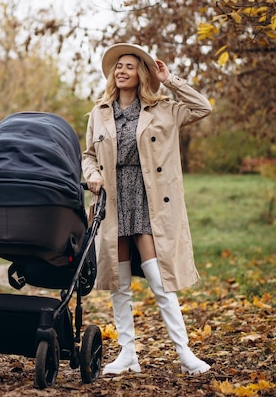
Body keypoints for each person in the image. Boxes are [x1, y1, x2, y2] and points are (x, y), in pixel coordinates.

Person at [82, 43, 212, 375]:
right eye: (118, 67)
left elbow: (203, 107)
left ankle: (184, 354)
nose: (121, 71)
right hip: (113, 200)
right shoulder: (100, 111)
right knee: (119, 281)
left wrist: (170, 80)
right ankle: (128, 355)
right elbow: (89, 155)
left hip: (148, 199)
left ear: (142, 73)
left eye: (129, 66)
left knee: (159, 279)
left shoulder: (164, 108)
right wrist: (93, 174)